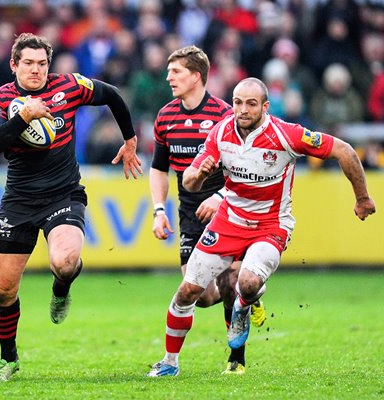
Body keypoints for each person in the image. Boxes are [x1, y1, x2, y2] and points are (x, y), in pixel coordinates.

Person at [154, 77, 375, 373]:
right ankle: (169, 363)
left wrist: (362, 198)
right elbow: (191, 183)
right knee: (188, 292)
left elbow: (344, 151)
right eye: (237, 102)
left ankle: (243, 306)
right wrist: (200, 175)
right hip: (228, 221)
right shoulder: (221, 132)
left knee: (245, 282)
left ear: (265, 107)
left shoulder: (286, 135)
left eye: (251, 103)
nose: (242, 110)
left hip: (271, 225)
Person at [0, 33, 143, 382]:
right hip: (19, 199)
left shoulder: (69, 87)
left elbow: (112, 95)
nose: (36, 70)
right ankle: (8, 359)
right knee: (3, 289)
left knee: (65, 262)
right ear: (14, 65)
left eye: (42, 64)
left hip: (63, 193)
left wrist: (129, 140)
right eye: (28, 63)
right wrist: (23, 117)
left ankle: (61, 289)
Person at [147, 46, 265, 378]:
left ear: (196, 76)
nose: (169, 77)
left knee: (230, 282)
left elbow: (249, 166)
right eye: (169, 71)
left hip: (232, 211)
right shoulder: (166, 116)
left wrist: (223, 196)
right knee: (199, 295)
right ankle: (250, 294)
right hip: (190, 216)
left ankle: (235, 357)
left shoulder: (226, 116)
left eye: (176, 72)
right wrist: (159, 209)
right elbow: (158, 168)